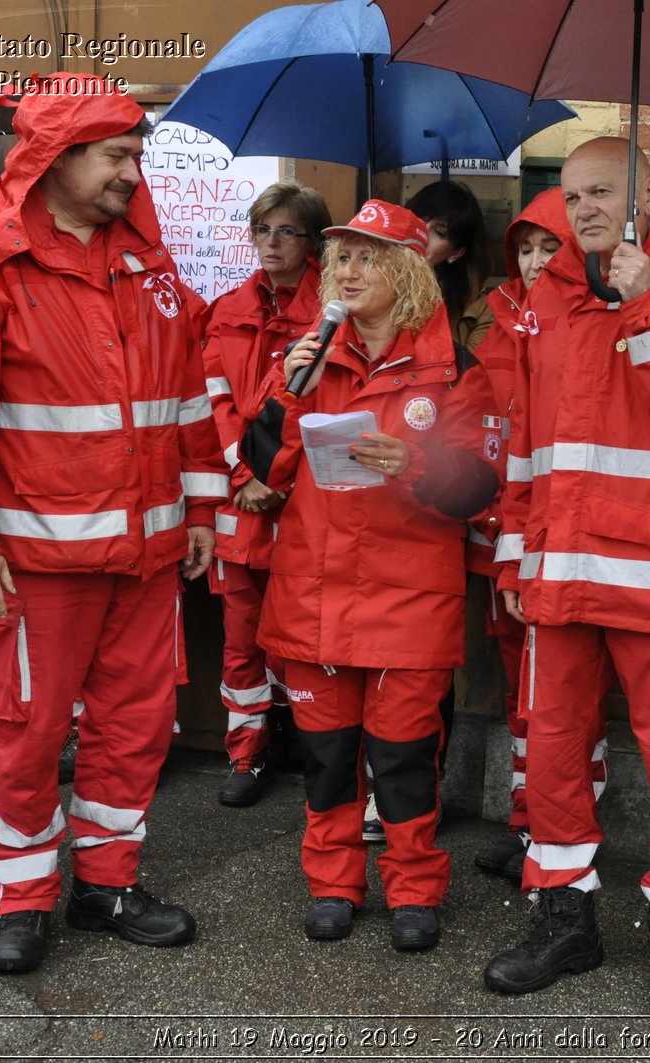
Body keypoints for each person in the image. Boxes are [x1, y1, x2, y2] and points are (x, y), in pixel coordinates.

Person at [0, 73, 227, 975]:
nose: (134, 172)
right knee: (30, 732)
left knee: (136, 726)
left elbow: (186, 390)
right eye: (117, 155)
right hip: (35, 560)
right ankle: (24, 895)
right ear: (57, 157)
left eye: (137, 155)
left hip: (147, 551)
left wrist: (202, 502)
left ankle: (108, 882)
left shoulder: (147, 256)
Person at [482, 136, 650, 1016]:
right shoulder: (547, 296)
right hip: (561, 574)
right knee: (554, 754)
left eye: (602, 190)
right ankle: (566, 919)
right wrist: (516, 554)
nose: (584, 207)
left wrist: (648, 304)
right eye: (572, 193)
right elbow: (528, 441)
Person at [255, 200, 499, 953]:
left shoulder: (456, 370)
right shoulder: (307, 353)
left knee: (402, 761)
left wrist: (418, 464)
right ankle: (332, 882)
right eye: (341, 259)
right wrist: (289, 389)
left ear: (405, 272)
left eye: (365, 257)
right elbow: (260, 462)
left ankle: (414, 888)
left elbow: (480, 485)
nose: (348, 271)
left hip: (408, 599)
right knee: (326, 757)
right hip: (314, 593)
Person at [465, 187, 611, 884]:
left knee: (561, 694)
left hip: (562, 540)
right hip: (497, 534)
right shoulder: (492, 329)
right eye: (523, 248)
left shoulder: (583, 323)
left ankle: (565, 818)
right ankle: (527, 817)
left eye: (547, 247)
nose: (532, 261)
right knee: (515, 690)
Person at [201, 180, 331, 807]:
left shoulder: (336, 314)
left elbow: (325, 412)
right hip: (240, 500)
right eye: (261, 230)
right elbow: (212, 401)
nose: (271, 242)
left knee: (306, 635)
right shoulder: (226, 308)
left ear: (313, 244)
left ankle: (311, 748)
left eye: (286, 231)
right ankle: (246, 753)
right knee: (240, 636)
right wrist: (244, 474)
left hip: (302, 502)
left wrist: (272, 477)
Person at [406, 179, 493, 350]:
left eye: (439, 232)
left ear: (456, 252)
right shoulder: (368, 280)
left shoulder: (480, 309)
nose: (422, 232)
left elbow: (469, 370)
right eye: (417, 220)